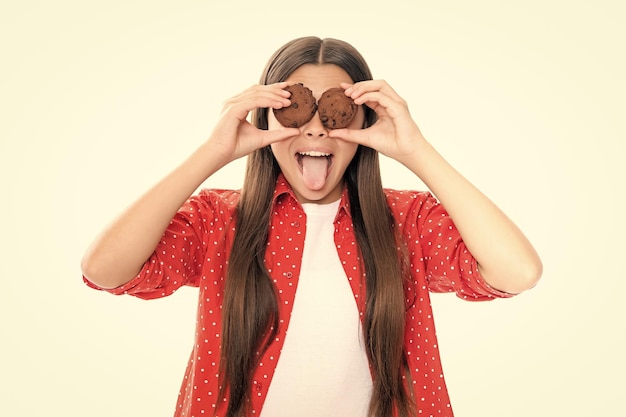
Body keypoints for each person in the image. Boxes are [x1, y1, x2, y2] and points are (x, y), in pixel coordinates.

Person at [81, 36, 542, 417]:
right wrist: (213, 152)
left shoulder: (406, 221)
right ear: (267, 116)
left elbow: (517, 271)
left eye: (335, 109)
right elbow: (105, 268)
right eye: (297, 109)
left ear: (364, 119)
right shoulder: (219, 220)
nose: (317, 129)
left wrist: (416, 150)